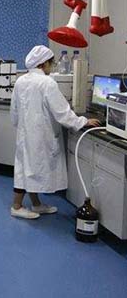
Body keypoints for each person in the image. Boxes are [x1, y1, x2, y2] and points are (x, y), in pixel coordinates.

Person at [10, 45, 100, 220]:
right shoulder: (47, 83)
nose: (52, 67)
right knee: (31, 169)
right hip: (41, 135)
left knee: (28, 168)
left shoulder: (21, 81)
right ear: (43, 64)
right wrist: (82, 121)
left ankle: (36, 204)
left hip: (26, 133)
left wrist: (20, 126)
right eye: (51, 63)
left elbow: (14, 110)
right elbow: (62, 112)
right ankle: (17, 206)